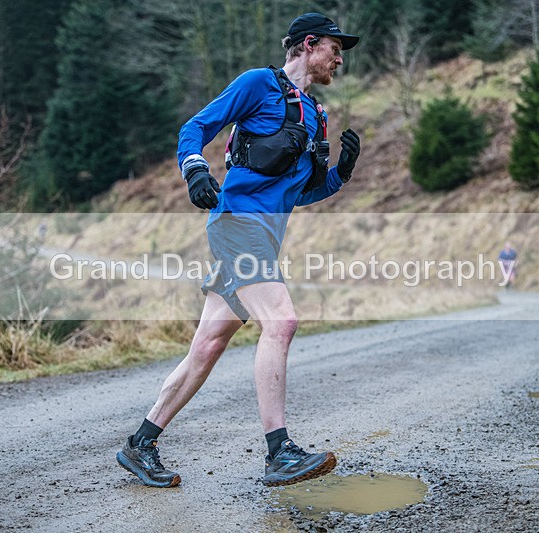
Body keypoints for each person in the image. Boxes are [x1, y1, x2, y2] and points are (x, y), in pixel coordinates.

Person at [116, 13, 361, 488]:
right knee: (282, 321)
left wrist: (339, 175)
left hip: (264, 237)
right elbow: (195, 127)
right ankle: (279, 452)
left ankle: (139, 444)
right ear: (309, 45)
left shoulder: (317, 114)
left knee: (207, 347)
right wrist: (195, 171)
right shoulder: (257, 85)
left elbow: (298, 193)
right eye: (335, 48)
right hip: (235, 226)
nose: (340, 58)